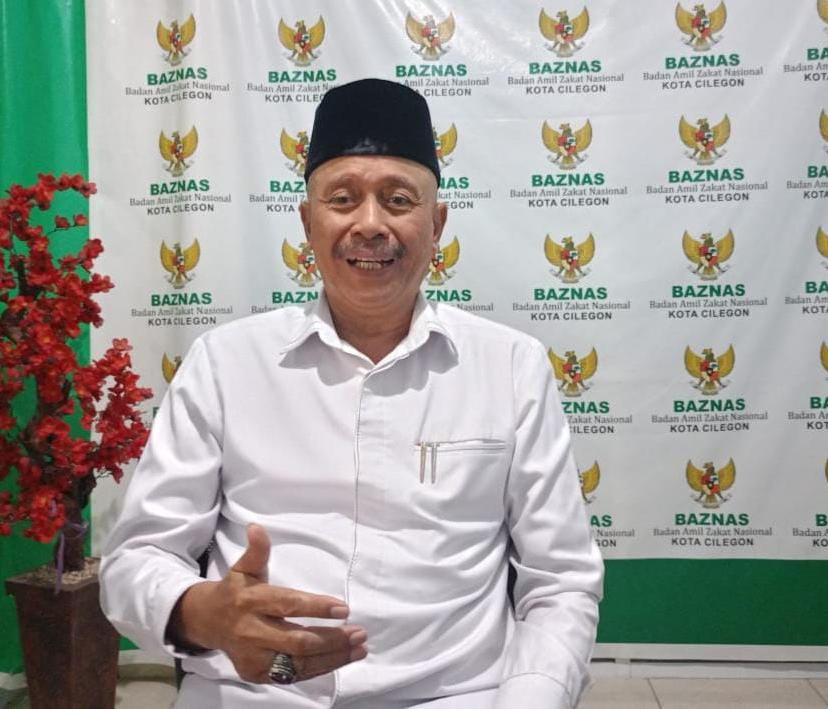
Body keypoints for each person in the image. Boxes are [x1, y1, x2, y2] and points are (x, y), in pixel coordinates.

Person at [99, 78, 603, 709]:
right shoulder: (225, 363)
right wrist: (205, 614)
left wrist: (529, 700)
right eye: (342, 199)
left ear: (436, 224)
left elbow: (561, 579)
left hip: (454, 696)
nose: (370, 224)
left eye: (398, 200)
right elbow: (137, 557)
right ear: (307, 222)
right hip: (253, 694)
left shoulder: (510, 366)